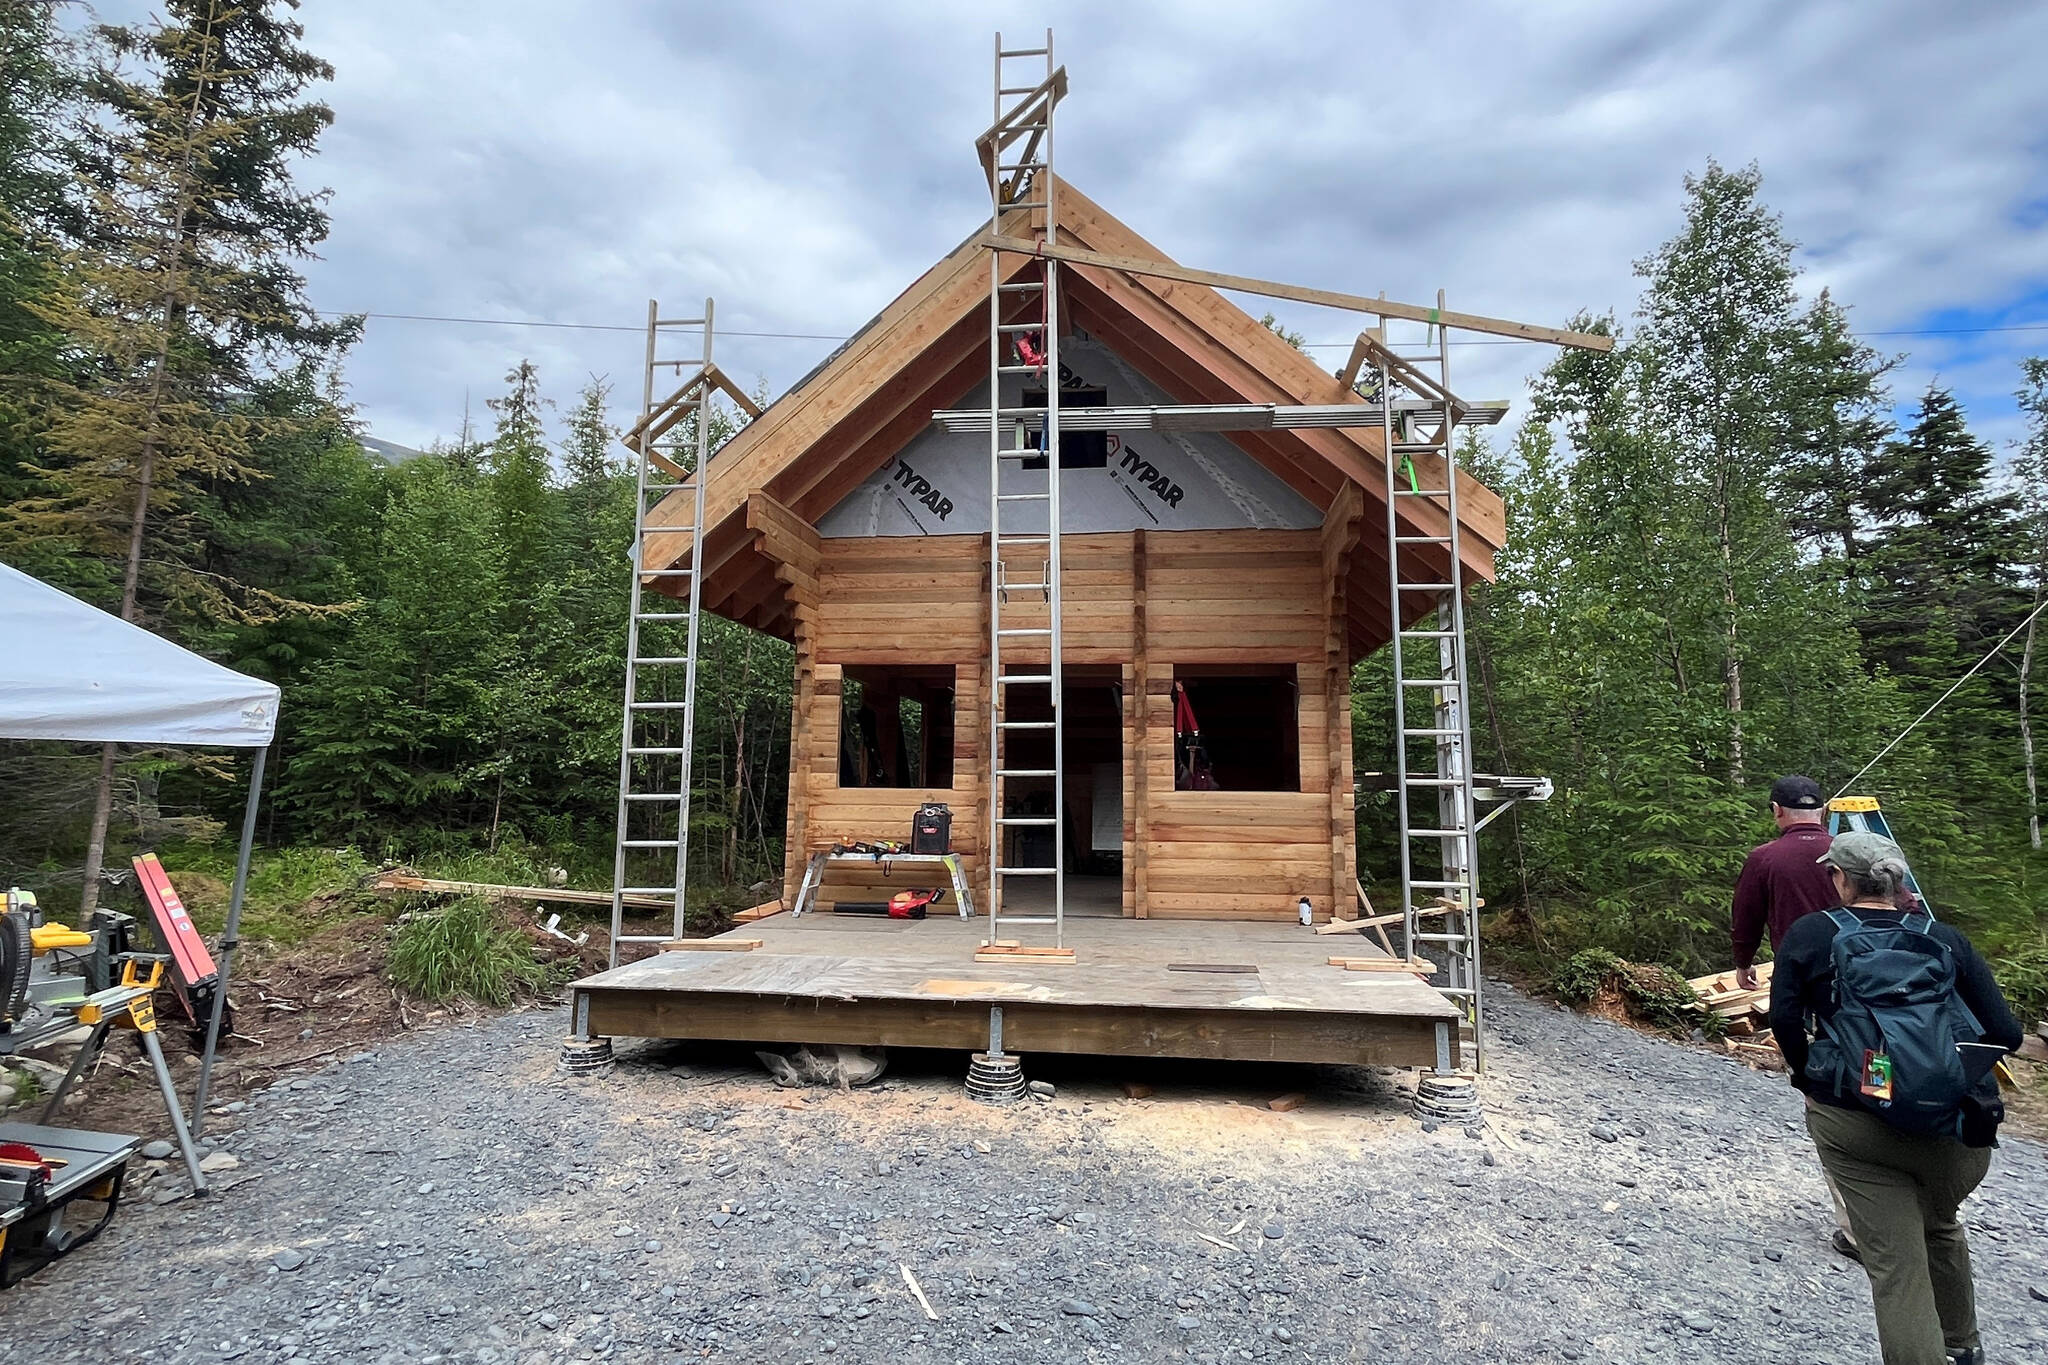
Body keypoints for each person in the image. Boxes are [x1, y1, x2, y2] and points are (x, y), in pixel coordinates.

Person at [1769, 832, 2023, 1365]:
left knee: (1896, 1270)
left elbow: (1786, 1021)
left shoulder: (1811, 934)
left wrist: (1806, 1077)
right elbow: (2007, 1033)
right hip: (1956, 1129)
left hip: (1856, 1125)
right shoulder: (1944, 938)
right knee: (1941, 1225)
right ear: (1899, 882)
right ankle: (1962, 1348)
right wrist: (1942, 1072)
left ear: (1840, 878)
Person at [1731, 774, 1838, 993]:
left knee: (1795, 1025)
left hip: (1797, 968)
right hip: (1856, 963)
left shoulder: (1763, 858)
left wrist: (1743, 962)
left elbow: (1746, 917)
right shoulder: (1852, 852)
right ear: (1824, 811)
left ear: (1777, 809)